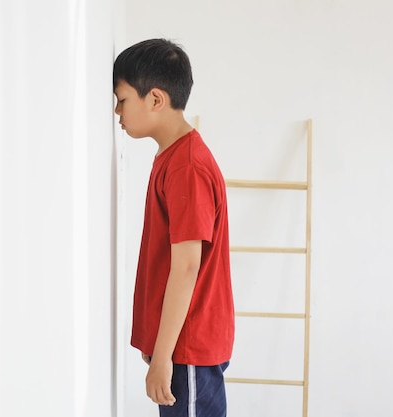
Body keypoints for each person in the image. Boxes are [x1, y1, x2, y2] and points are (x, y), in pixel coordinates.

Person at [113, 39, 235, 417]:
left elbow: (186, 266)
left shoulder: (186, 167)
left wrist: (163, 356)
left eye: (122, 99)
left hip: (188, 347)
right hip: (182, 346)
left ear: (155, 99)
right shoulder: (173, 158)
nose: (117, 111)